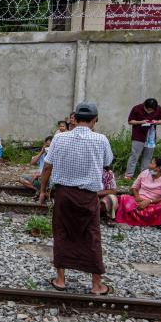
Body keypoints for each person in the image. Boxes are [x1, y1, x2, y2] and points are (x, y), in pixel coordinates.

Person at [39, 101, 113, 295]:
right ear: (95, 120)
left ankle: (61, 280)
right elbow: (107, 163)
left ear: (74, 118)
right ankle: (96, 285)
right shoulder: (101, 139)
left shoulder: (59, 138)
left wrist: (43, 191)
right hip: (89, 196)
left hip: (64, 194)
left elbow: (47, 167)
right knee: (92, 236)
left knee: (62, 233)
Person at [116, 157, 161, 226]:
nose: (149, 165)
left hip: (154, 204)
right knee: (124, 198)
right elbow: (134, 187)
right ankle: (143, 218)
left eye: (152, 163)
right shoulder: (145, 172)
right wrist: (137, 196)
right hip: (138, 201)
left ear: (158, 168)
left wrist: (148, 201)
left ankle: (141, 218)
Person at [124, 98, 161, 180]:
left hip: (151, 136)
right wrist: (142, 122)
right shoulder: (137, 108)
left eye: (151, 110)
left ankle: (144, 174)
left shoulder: (159, 108)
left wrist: (156, 122)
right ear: (144, 106)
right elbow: (130, 121)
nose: (149, 112)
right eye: (148, 110)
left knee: (148, 157)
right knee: (134, 155)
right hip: (138, 135)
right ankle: (129, 175)